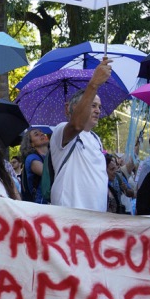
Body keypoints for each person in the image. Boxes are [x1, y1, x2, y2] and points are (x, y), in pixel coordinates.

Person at [49, 58, 112, 211]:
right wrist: (94, 84)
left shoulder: (96, 139)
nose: (98, 110)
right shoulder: (61, 130)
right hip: (71, 218)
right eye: (93, 105)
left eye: (99, 107)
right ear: (75, 107)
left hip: (95, 220)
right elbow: (77, 125)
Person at [19, 127, 49, 203]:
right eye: (36, 134)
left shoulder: (52, 155)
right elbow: (48, 173)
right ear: (31, 144)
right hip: (42, 204)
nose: (41, 134)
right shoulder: (31, 158)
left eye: (42, 132)